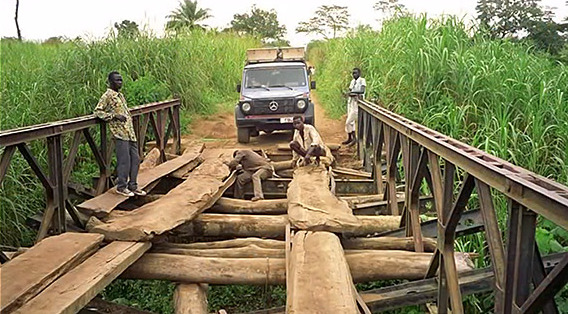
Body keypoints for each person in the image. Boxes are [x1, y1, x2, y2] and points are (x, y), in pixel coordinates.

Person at [94, 71, 146, 197]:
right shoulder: (108, 96)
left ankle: (133, 185)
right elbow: (97, 111)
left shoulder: (120, 96)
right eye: (117, 80)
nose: (120, 83)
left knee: (135, 159)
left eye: (121, 80)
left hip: (130, 133)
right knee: (124, 161)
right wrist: (114, 116)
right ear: (111, 82)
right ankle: (121, 187)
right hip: (120, 133)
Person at [343, 67, 366, 146]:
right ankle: (350, 138)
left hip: (357, 104)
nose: (354, 75)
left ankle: (354, 139)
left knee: (348, 122)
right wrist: (348, 93)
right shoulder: (353, 81)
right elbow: (350, 90)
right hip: (350, 102)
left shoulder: (362, 80)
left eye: (355, 73)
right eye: (353, 73)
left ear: (359, 73)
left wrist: (353, 92)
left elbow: (362, 91)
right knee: (351, 122)